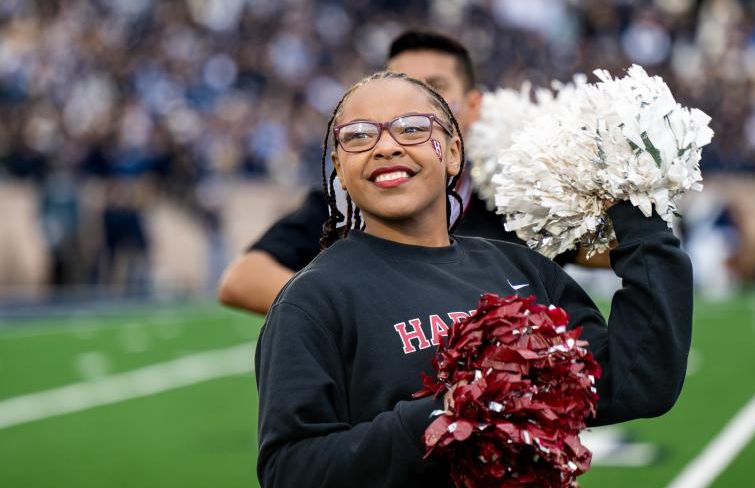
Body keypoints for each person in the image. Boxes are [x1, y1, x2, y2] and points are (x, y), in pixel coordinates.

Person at [255, 71, 693, 488]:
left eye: (412, 129)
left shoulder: (523, 270)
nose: (385, 147)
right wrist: (444, 415)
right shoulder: (313, 299)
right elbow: (292, 480)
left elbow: (635, 383)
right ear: (340, 167)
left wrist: (637, 212)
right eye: (358, 136)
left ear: (454, 154)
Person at [218, 30, 607, 315]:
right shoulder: (349, 202)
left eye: (435, 88)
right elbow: (242, 279)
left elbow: (611, 255)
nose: (415, 105)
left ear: (473, 107)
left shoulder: (516, 197)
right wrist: (360, 315)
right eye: (400, 88)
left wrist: (584, 177)